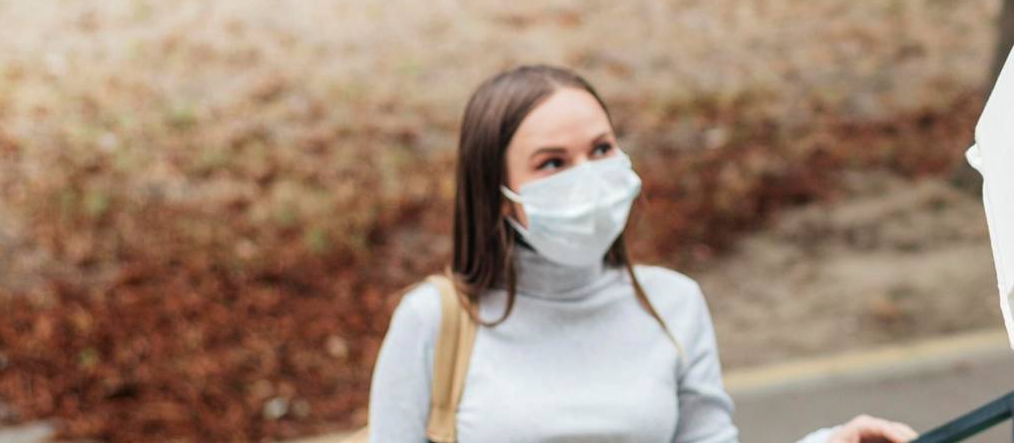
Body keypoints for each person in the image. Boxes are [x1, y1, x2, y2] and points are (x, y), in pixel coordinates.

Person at [366, 64, 919, 443]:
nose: (589, 177)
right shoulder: (433, 322)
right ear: (499, 197)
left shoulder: (674, 303)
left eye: (601, 149)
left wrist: (830, 442)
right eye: (552, 163)